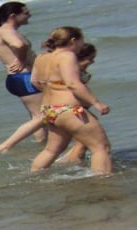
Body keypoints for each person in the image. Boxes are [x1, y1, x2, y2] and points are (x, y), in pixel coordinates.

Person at [29, 27, 112, 175]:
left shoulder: (41, 57)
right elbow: (73, 84)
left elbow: (34, 82)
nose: (81, 45)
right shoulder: (67, 56)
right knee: (101, 147)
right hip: (69, 109)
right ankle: (102, 181)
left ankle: (33, 176)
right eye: (81, 41)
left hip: (49, 109)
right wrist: (96, 103)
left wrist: (55, 90)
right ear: (73, 40)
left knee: (51, 150)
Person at [0, 42, 97, 155]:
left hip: (68, 106)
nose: (92, 62)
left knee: (50, 128)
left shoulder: (66, 65)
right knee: (42, 119)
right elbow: (38, 81)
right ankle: (6, 145)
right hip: (65, 106)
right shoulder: (67, 68)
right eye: (90, 59)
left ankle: (68, 154)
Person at [0, 3, 45, 147]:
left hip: (22, 78)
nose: (30, 15)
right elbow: (20, 45)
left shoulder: (7, 31)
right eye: (26, 12)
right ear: (13, 16)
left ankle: (41, 146)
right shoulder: (5, 31)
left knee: (37, 117)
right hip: (24, 78)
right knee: (42, 117)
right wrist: (21, 60)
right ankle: (4, 147)